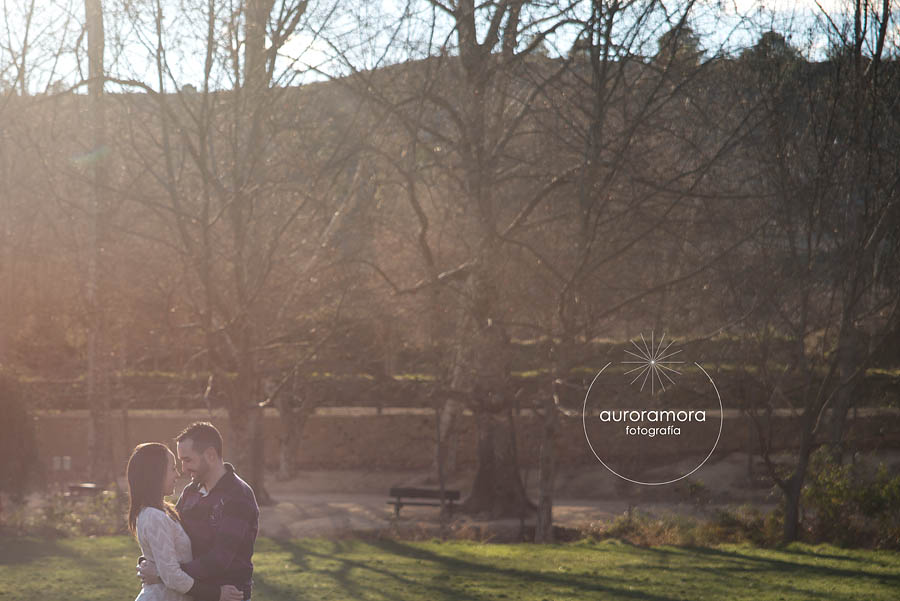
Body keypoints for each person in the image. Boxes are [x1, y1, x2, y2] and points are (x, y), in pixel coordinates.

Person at [137, 422, 260, 601]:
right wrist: (148, 560)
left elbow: (219, 560)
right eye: (181, 461)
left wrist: (162, 574)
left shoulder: (238, 496)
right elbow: (170, 536)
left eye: (188, 460)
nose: (184, 469)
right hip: (192, 594)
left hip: (228, 595)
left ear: (210, 455)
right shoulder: (191, 491)